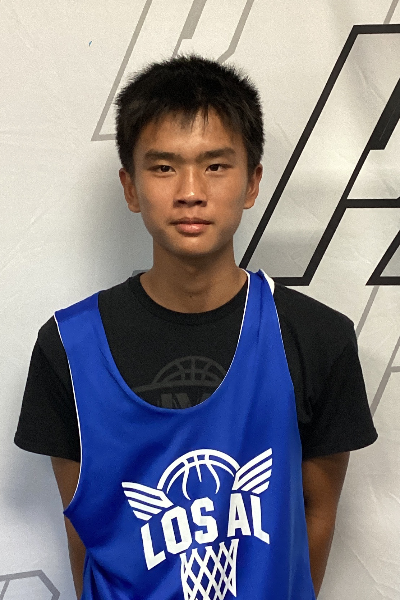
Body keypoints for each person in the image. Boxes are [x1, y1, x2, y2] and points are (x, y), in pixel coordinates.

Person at [14, 54, 377, 600]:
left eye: (215, 166)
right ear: (130, 187)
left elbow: (313, 521)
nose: (190, 191)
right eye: (163, 167)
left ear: (252, 183)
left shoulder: (317, 337)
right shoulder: (68, 347)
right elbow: (87, 535)